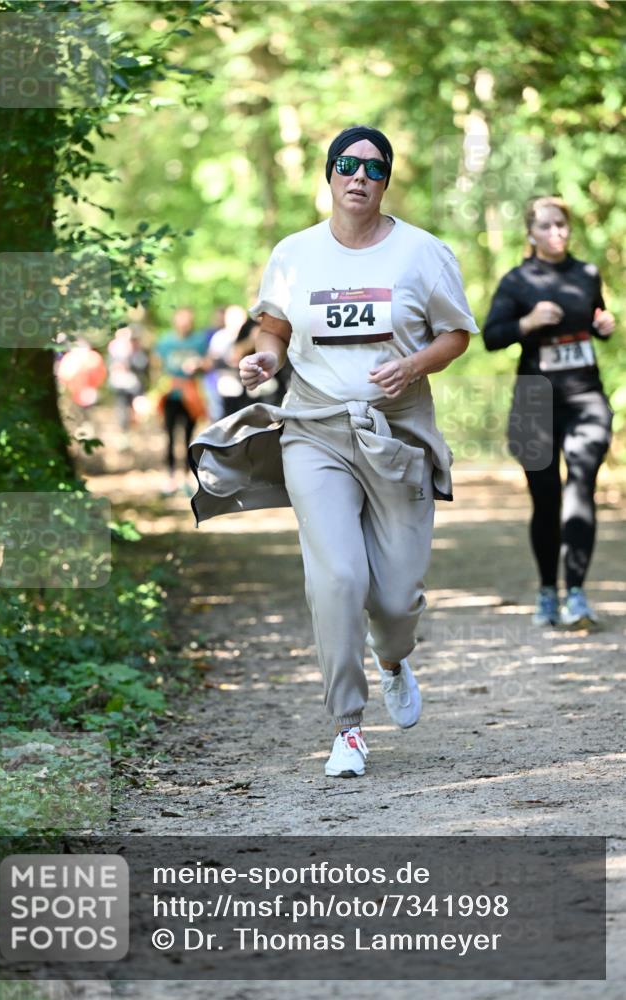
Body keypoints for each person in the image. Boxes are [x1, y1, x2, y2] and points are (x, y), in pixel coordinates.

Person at [193, 124, 477, 778]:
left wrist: (412, 366)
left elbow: (456, 334)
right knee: (338, 577)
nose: (359, 177)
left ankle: (393, 657)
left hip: (396, 432)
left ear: (386, 182)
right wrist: (264, 360)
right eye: (347, 164)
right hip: (314, 428)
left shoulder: (422, 252)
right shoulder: (295, 254)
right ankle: (347, 727)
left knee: (396, 599)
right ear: (328, 174)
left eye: (374, 169)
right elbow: (271, 328)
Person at [483, 195, 615, 628]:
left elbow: (595, 319)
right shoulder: (517, 281)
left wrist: (603, 326)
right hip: (534, 403)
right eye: (545, 226)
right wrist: (527, 322)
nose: (555, 232)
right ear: (530, 233)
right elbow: (491, 336)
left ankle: (576, 594)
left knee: (580, 489)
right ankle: (546, 592)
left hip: (585, 399)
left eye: (561, 224)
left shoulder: (586, 274)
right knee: (546, 500)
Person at [153, 307, 210, 495]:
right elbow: (156, 365)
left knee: (189, 438)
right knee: (169, 436)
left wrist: (198, 365)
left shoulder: (199, 340)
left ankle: (186, 477)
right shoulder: (165, 341)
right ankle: (170, 478)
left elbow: (208, 363)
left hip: (191, 395)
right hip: (170, 394)